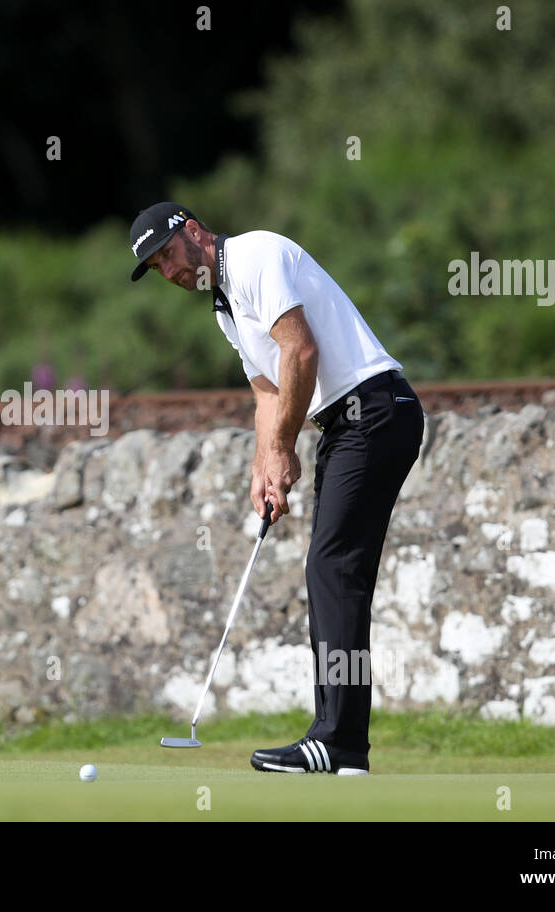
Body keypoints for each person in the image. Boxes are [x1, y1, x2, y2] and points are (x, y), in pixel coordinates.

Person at [129, 201, 424, 775]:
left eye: (168, 254)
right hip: (350, 424)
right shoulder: (225, 308)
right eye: (157, 268)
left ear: (193, 232)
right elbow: (268, 391)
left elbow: (301, 349)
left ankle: (338, 739)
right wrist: (263, 464)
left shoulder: (257, 254)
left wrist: (285, 445)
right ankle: (344, 748)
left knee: (333, 567)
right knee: (336, 569)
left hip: (375, 411)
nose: (169, 272)